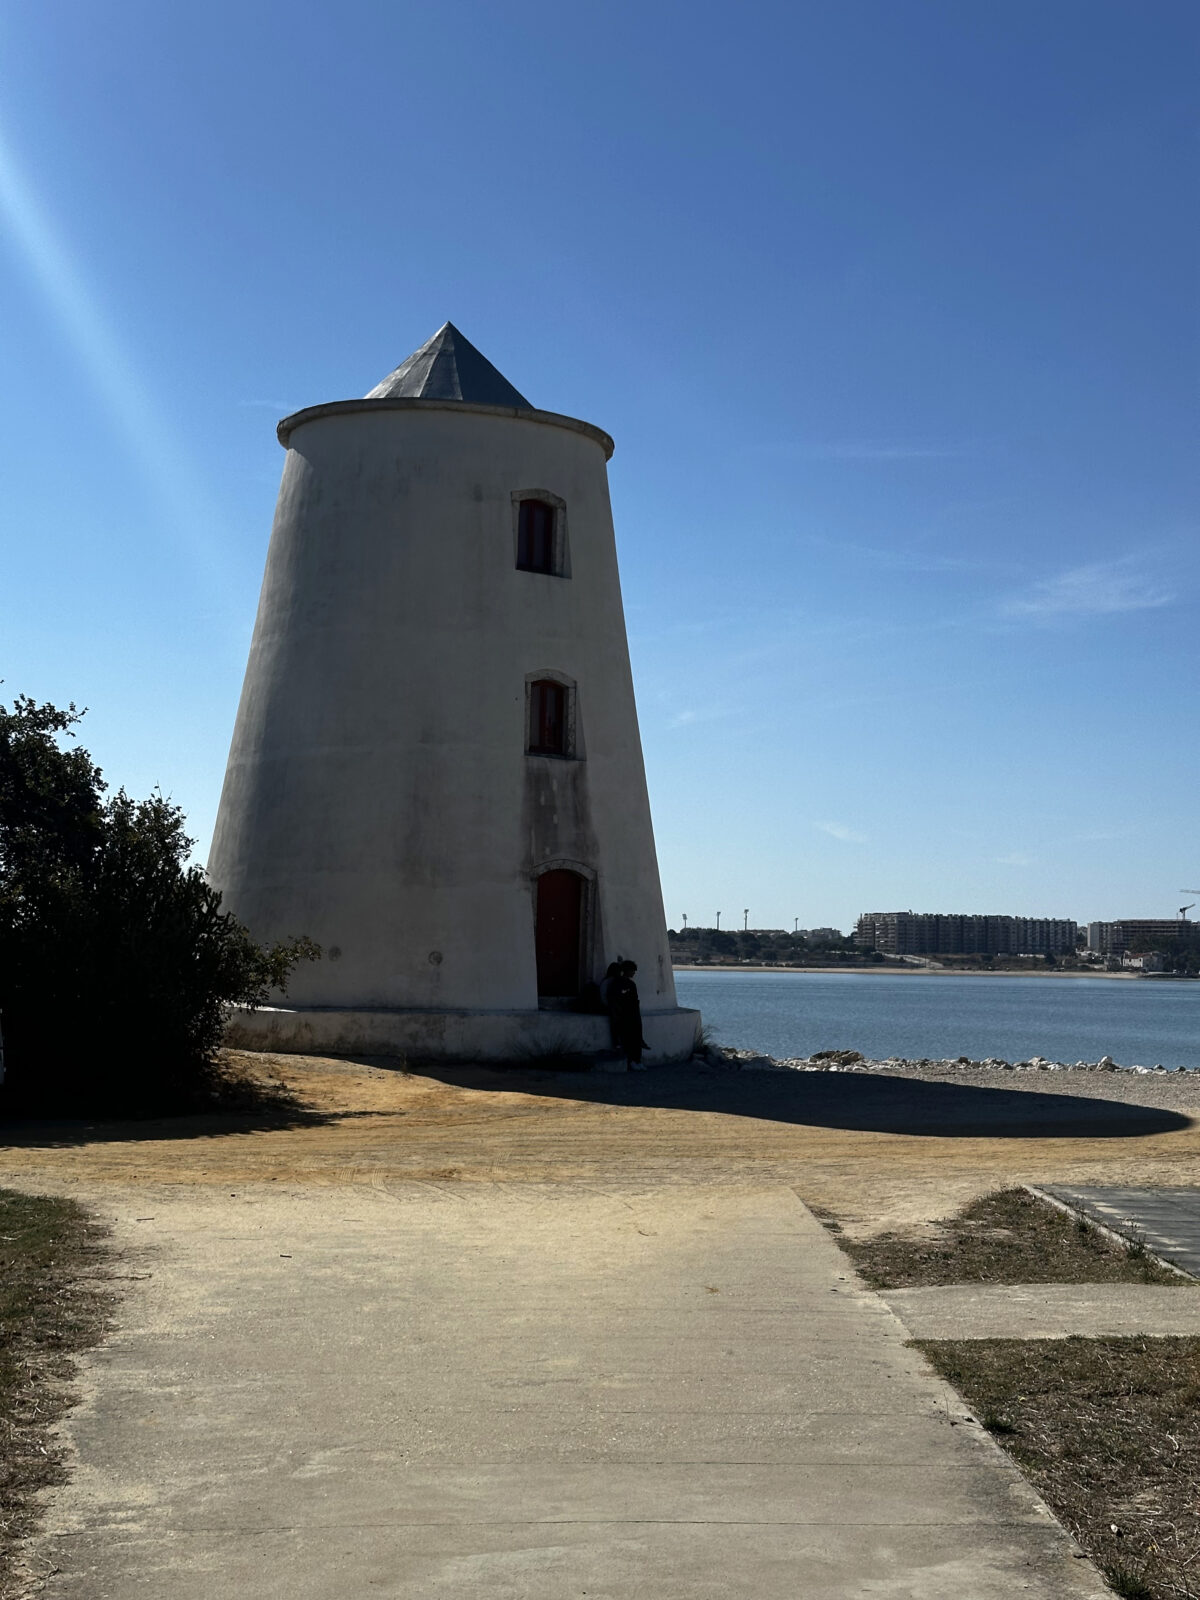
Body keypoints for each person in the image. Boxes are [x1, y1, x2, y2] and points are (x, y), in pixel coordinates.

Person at [607, 959, 649, 1069]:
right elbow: (615, 999)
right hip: (625, 1014)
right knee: (628, 1038)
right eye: (632, 971)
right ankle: (631, 1061)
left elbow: (634, 1000)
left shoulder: (631, 984)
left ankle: (637, 1060)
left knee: (637, 1037)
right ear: (626, 971)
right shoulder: (618, 983)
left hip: (634, 1014)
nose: (634, 973)